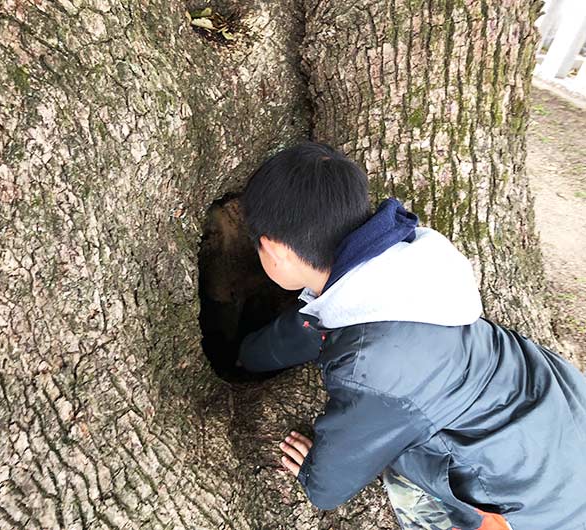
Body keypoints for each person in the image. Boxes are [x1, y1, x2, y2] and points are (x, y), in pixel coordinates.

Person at [237, 140, 586, 530]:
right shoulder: (408, 260)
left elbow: (328, 487)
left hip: (538, 506)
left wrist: (313, 476)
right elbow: (316, 326)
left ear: (274, 250)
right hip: (565, 418)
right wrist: (246, 356)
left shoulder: (370, 366)